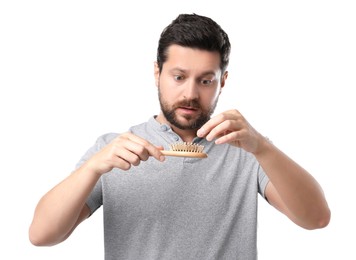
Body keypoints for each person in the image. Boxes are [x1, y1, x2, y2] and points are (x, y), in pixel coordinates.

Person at [29, 13, 331, 259]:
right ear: (157, 73)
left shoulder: (246, 148)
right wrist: (93, 166)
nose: (190, 93)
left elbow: (316, 218)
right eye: (178, 77)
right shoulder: (113, 151)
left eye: (205, 80)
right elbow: (41, 235)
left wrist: (263, 147)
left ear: (222, 82)